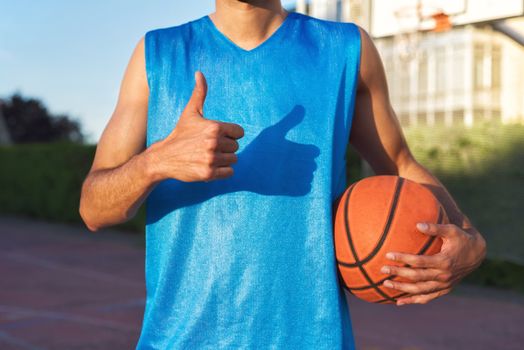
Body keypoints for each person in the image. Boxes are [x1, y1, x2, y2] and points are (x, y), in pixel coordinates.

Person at [79, 0, 487, 348]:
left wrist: (471, 242)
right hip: (180, 338)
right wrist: (156, 162)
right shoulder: (157, 54)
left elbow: (398, 163)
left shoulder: (346, 49)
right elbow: (94, 209)